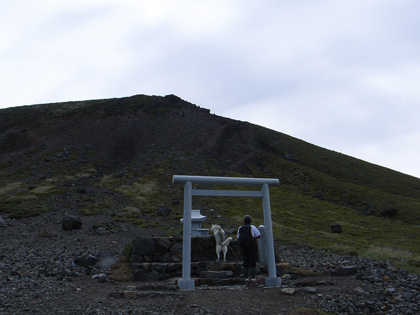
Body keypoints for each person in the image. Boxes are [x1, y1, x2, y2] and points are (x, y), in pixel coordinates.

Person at [237, 215, 261, 287]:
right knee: (252, 263)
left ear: (244, 221)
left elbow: (238, 237)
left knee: (245, 262)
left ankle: (246, 280)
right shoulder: (252, 227)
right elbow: (259, 235)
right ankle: (253, 279)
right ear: (250, 221)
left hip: (243, 247)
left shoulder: (240, 228)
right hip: (251, 246)